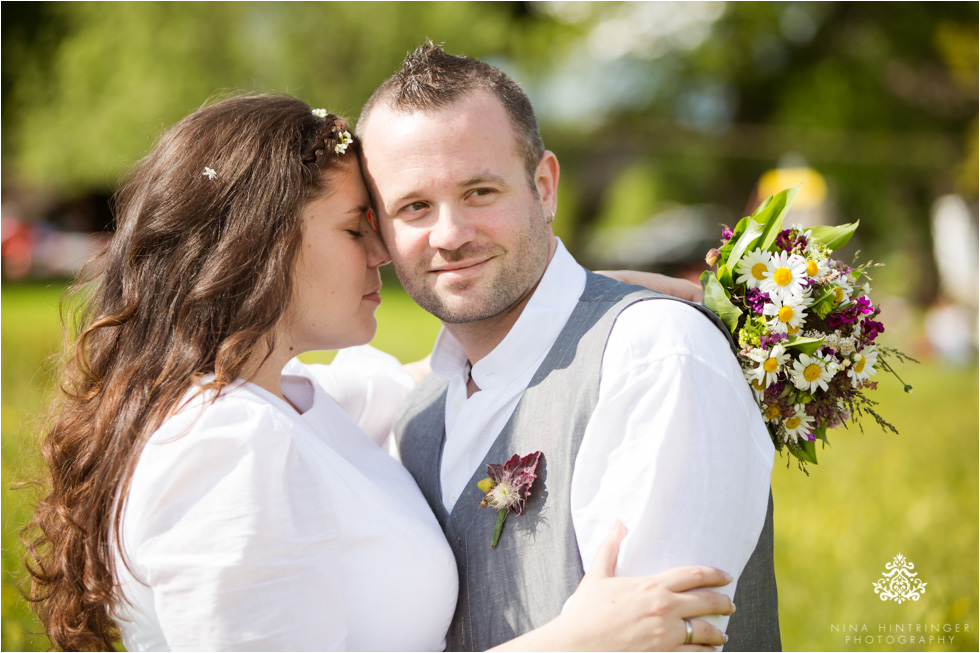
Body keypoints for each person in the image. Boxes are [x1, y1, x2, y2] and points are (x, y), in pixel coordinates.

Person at [24, 94, 735, 651]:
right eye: (355, 228)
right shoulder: (224, 448)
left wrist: (579, 292)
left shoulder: (295, 404)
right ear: (263, 246)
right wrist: (575, 642)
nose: (383, 254)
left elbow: (446, 368)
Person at [356, 42, 780, 651]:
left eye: (480, 192)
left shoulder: (653, 355)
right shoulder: (417, 408)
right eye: (415, 207)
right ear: (381, 232)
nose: (450, 235)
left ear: (545, 186)